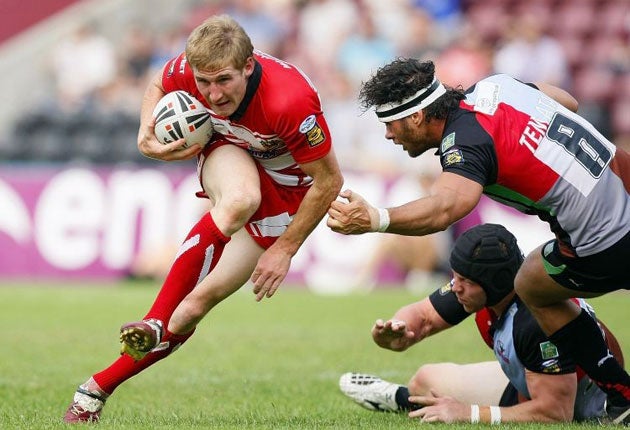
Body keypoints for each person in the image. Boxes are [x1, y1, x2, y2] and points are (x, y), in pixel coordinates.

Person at [63, 14, 343, 423]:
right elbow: (159, 80)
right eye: (203, 82)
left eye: (224, 80)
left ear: (248, 66)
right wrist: (145, 130)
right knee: (240, 198)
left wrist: (285, 249)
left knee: (194, 307)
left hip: (288, 190)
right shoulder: (190, 70)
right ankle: (155, 320)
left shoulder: (289, 101)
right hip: (231, 153)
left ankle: (94, 390)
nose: (212, 94)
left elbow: (330, 181)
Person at [326, 57, 630, 424]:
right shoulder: (495, 86)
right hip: (623, 186)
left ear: (417, 117)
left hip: (606, 235)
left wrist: (376, 219)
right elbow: (567, 102)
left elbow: (447, 206)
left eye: (391, 124)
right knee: (533, 274)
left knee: (532, 285)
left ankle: (618, 393)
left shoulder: (464, 141)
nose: (389, 135)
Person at [338, 223, 625, 423]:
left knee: (451, 400)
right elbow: (423, 318)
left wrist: (469, 413)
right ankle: (409, 399)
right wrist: (397, 330)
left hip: (576, 398)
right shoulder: (487, 288)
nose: (455, 287)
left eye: (465, 281)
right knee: (425, 379)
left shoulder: (533, 321)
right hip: (536, 377)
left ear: (495, 283)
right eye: (456, 277)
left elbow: (556, 413)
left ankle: (402, 400)